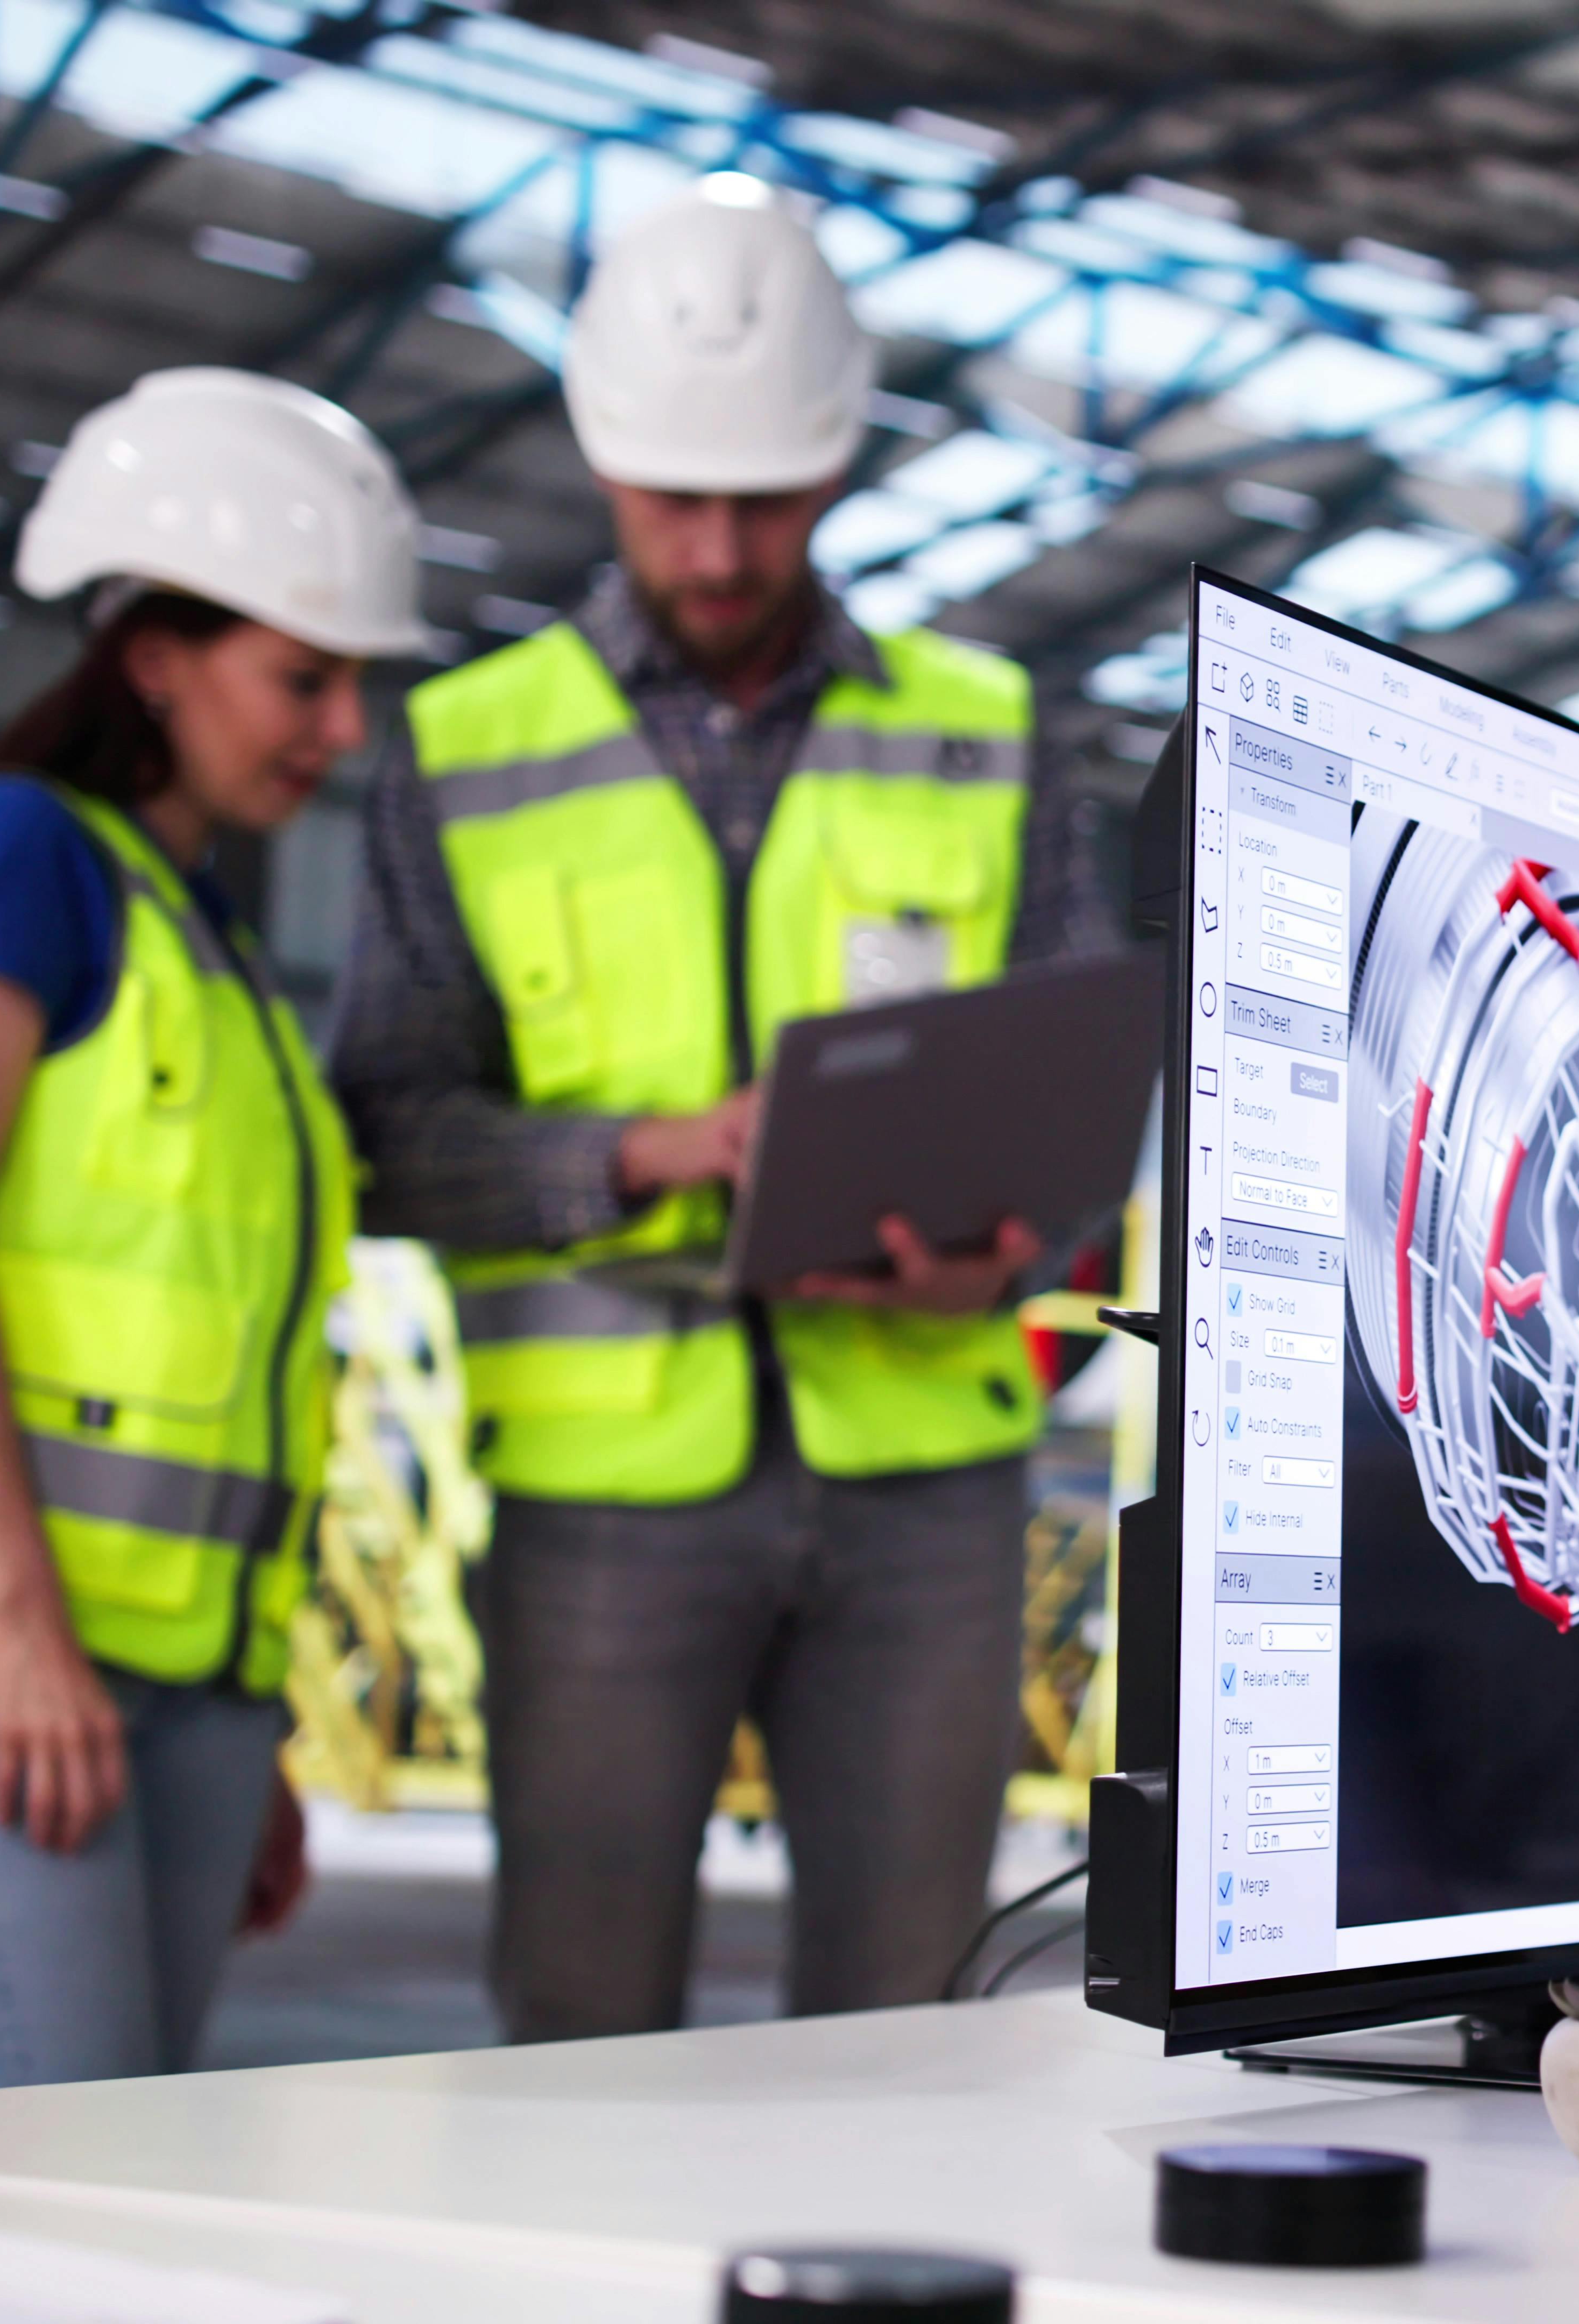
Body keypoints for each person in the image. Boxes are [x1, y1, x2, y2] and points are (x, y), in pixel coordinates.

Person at [332, 172, 1114, 2042]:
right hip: (606, 1499)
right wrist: (652, 1153)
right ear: (605, 464)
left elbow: (1091, 1088)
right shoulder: (466, 751)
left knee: (912, 2019)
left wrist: (1012, 1272)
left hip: (923, 1476)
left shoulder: (985, 730)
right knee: (582, 2030)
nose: (717, 543)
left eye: (762, 496)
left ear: (838, 468)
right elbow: (395, 1133)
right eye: (678, 495)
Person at [0, 367, 421, 2090]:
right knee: (53, 2180)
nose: (344, 728)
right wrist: (21, 1627)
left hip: (183, 1685)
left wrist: (249, 1720)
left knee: (128, 2184)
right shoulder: (11, 857)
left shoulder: (199, 938)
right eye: (304, 678)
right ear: (157, 656)